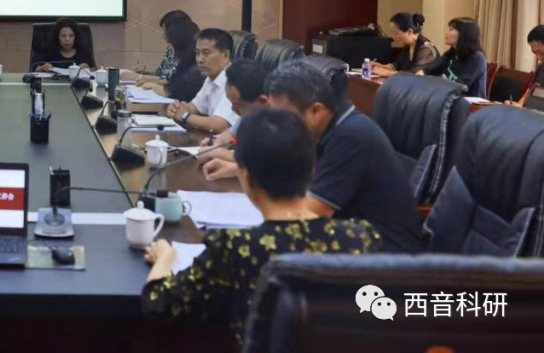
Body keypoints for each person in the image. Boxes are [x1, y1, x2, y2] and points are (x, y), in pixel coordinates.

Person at [142, 108, 380, 346]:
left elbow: (158, 303)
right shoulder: (362, 238)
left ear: (245, 175)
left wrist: (164, 258)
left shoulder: (236, 246)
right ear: (312, 171)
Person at [259, 60, 424, 253]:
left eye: (284, 117)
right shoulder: (327, 128)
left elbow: (310, 214)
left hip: (383, 257)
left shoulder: (351, 136)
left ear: (315, 110)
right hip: (349, 241)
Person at [197, 58, 269, 178]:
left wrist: (216, 153)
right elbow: (231, 136)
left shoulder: (279, 122)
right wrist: (217, 142)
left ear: (262, 101)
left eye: (237, 104)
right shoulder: (251, 114)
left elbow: (264, 164)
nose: (232, 109)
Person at [165, 28, 238, 134]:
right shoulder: (211, 77)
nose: (200, 59)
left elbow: (218, 125)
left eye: (206, 53)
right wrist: (177, 108)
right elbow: (194, 107)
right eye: (197, 53)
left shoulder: (234, 81)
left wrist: (184, 116)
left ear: (226, 55)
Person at [420, 16, 488, 97]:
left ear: (464, 34)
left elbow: (461, 86)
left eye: (451, 29)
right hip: (450, 98)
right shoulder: (450, 54)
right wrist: (422, 72)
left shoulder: (477, 57)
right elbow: (431, 69)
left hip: (470, 102)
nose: (446, 33)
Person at [373, 12, 439, 76]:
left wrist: (388, 73)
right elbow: (397, 66)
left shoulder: (426, 48)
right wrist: (381, 67)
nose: (393, 37)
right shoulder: (408, 46)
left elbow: (416, 73)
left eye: (396, 33)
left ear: (409, 31)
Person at [153, 10, 193, 80]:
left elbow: (174, 81)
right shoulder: (170, 49)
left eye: (166, 31)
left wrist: (141, 78)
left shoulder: (190, 52)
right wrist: (142, 73)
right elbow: (160, 74)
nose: (164, 36)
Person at [511, 25, 544, 107]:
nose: (538, 57)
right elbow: (530, 91)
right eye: (534, 52)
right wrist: (518, 105)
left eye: (541, 53)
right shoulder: (541, 67)